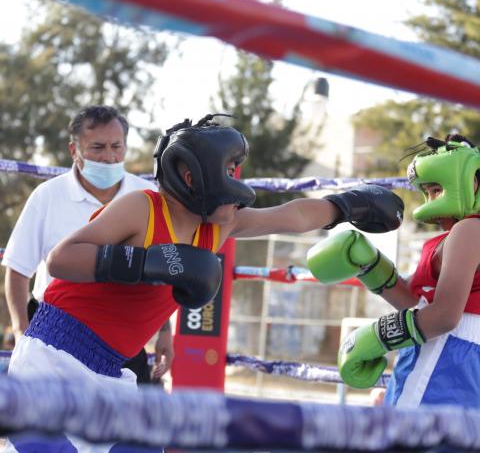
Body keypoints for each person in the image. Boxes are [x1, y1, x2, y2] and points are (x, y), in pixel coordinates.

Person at [5, 113, 403, 452]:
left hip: (112, 369)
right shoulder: (141, 208)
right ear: (193, 176)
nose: (237, 185)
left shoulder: (220, 226)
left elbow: (290, 216)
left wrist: (349, 204)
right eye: (228, 171)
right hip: (54, 357)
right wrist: (144, 262)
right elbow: (61, 260)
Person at [2, 105, 174, 384]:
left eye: (116, 146)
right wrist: (22, 332)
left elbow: (160, 271)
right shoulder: (47, 196)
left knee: (130, 425)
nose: (109, 157)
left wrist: (165, 331)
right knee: (47, 424)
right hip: (54, 334)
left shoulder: (150, 197)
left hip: (125, 338)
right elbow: (17, 270)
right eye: (97, 147)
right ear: (74, 150)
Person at [308, 134, 480, 408]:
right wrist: (370, 266)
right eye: (427, 192)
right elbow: (415, 302)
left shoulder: (470, 230)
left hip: (447, 357)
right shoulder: (454, 238)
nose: (431, 201)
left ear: (470, 182)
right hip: (446, 354)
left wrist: (374, 338)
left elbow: (446, 315)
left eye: (436, 190)